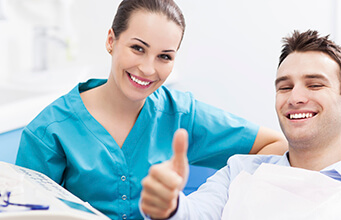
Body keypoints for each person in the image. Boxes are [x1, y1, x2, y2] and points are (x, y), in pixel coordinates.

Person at [15, 0, 288, 219]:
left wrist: (211, 201)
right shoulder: (48, 131)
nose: (148, 69)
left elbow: (275, 144)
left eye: (164, 56)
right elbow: (23, 213)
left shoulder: (181, 114)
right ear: (111, 41)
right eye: (137, 48)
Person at [140, 30, 341, 219]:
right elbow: (192, 214)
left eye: (314, 84)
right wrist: (168, 206)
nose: (295, 98)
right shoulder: (239, 171)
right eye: (284, 87)